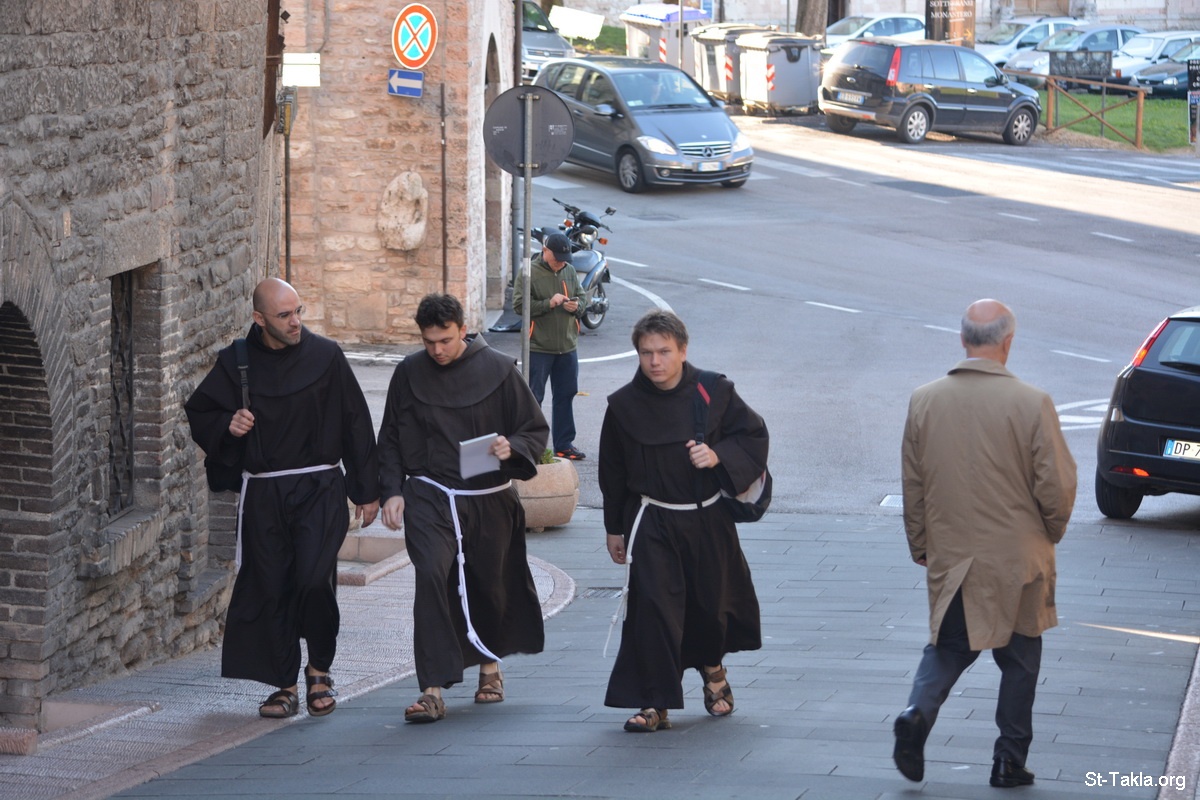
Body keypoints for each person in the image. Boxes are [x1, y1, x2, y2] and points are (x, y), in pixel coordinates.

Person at [894, 299, 1077, 788]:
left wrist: (920, 542)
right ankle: (1008, 760)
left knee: (948, 647)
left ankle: (917, 713)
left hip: (954, 555)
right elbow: (1055, 486)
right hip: (1017, 558)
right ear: (1008, 341)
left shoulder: (924, 399)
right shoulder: (1032, 402)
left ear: (962, 340)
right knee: (1019, 659)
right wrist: (1050, 532)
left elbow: (914, 482)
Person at [184, 278, 380, 719]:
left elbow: (355, 421)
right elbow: (201, 413)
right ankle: (285, 684)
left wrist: (368, 490)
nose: (296, 323)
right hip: (265, 492)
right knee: (272, 585)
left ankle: (320, 668)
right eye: (284, 315)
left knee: (313, 580)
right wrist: (228, 426)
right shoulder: (236, 363)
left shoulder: (326, 356)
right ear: (259, 319)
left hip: (319, 487)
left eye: (298, 312)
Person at [377, 293, 549, 724]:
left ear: (463, 329)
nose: (437, 350)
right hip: (431, 496)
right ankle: (431, 688)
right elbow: (392, 437)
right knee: (432, 576)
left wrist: (513, 447)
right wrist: (392, 491)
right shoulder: (409, 373)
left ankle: (489, 667)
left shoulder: (497, 369)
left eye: (446, 340)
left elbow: (533, 428)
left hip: (487, 498)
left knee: (487, 582)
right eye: (429, 341)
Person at [600, 310, 768, 733]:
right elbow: (613, 471)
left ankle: (713, 668)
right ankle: (654, 701)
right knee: (654, 609)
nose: (655, 361)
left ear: (682, 350)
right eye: (646, 353)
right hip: (651, 520)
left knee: (710, 608)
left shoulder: (713, 391)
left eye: (664, 352)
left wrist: (718, 456)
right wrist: (614, 528)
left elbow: (752, 435)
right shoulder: (623, 406)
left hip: (707, 518)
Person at [513, 232, 587, 461]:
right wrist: (548, 303)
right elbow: (518, 306)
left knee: (565, 395)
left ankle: (564, 445)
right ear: (545, 252)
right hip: (539, 347)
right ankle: (532, 446)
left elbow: (583, 298)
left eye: (565, 258)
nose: (562, 262)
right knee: (534, 397)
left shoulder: (569, 270)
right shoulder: (529, 272)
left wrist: (578, 306)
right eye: (558, 258)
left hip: (567, 345)